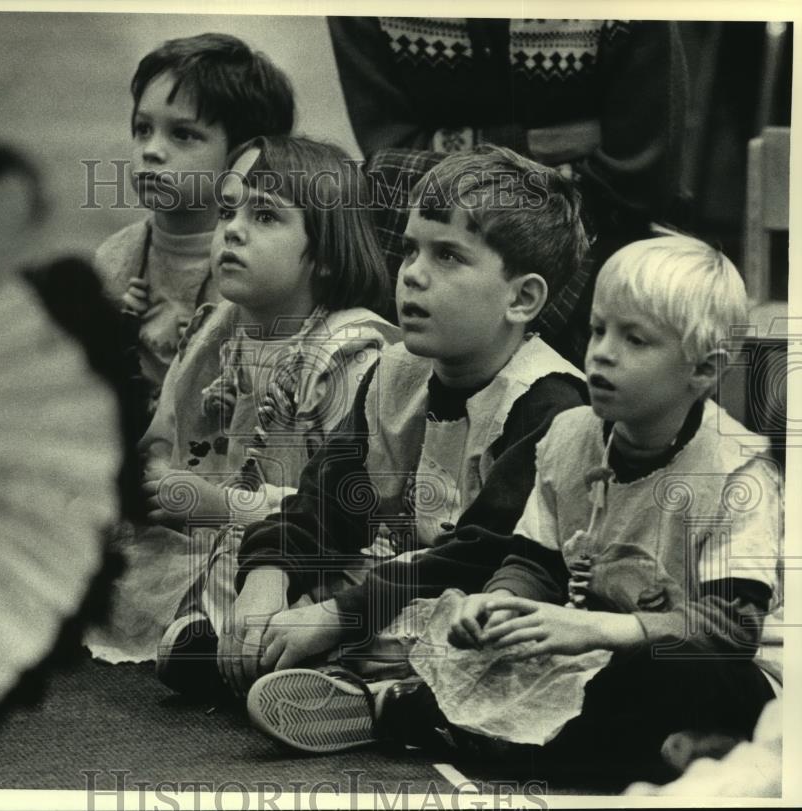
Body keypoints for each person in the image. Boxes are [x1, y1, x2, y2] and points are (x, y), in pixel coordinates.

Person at [246, 234, 783, 788]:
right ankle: (450, 719)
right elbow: (535, 562)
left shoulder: (737, 474)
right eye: (598, 330)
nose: (601, 352)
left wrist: (593, 627)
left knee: (674, 681)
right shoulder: (571, 437)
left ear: (703, 370)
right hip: (589, 655)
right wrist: (499, 604)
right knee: (462, 622)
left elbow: (732, 629)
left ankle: (418, 715)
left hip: (704, 667)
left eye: (635, 340)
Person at [183, 145, 591, 699]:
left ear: (522, 298)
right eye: (409, 251)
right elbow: (321, 503)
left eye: (447, 256)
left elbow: (480, 555)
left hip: (480, 590)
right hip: (399, 576)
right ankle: (289, 657)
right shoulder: (395, 371)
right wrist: (268, 578)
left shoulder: (549, 403)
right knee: (249, 550)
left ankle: (360, 690)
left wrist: (335, 615)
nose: (413, 277)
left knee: (460, 626)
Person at [86, 135, 399, 665]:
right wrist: (154, 480)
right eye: (227, 210)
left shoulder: (351, 352)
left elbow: (354, 513)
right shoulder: (215, 331)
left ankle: (231, 646)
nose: (232, 229)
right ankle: (204, 638)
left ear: (324, 254)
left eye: (265, 217)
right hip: (210, 544)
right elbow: (163, 440)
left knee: (339, 591)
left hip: (310, 554)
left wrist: (222, 507)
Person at [328, 17, 688, 362]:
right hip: (439, 252)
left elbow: (638, 181)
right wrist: (542, 143)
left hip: (596, 254)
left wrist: (455, 148)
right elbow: (394, 162)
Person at [94, 32, 295, 394]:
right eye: (143, 129)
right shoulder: (113, 260)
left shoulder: (263, 269)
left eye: (182, 135)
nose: (150, 151)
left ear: (243, 157)